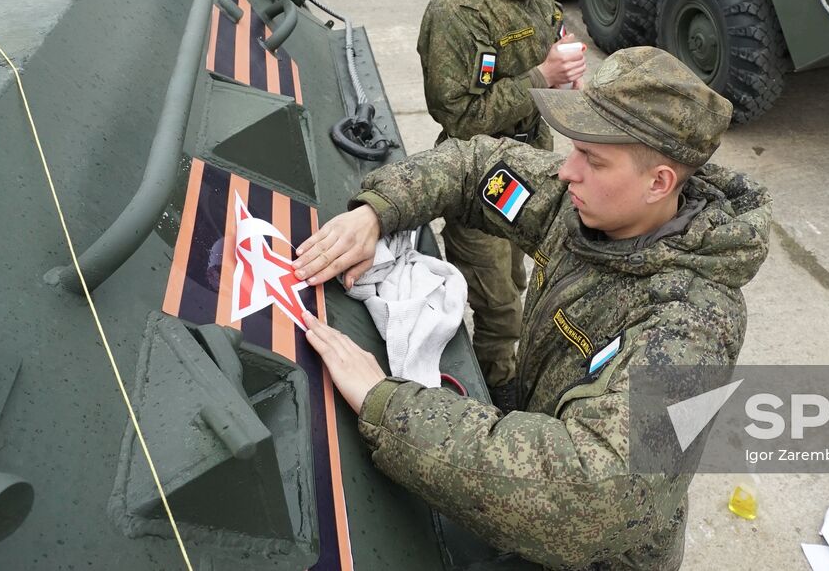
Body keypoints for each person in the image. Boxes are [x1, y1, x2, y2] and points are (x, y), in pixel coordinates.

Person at [294, 47, 771, 570]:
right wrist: (379, 211)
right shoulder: (585, 209)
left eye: (592, 159)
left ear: (658, 182)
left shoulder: (692, 327)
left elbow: (599, 495)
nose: (567, 172)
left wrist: (389, 406)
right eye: (573, 150)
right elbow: (474, 165)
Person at [415, 0, 590, 409]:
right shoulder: (459, 9)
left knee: (519, 278)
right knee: (498, 306)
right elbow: (458, 116)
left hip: (530, 164)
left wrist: (565, 71)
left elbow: (553, 34)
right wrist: (542, 76)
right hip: (481, 175)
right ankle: (499, 393)